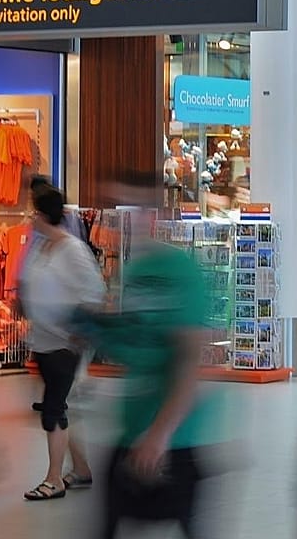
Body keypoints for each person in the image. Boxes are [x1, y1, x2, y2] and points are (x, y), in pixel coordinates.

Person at [77, 171, 219, 538]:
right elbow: (138, 346)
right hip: (132, 429)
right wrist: (97, 330)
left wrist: (160, 435)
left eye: (138, 209)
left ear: (155, 214)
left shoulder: (181, 271)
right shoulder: (134, 270)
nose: (129, 219)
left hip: (176, 437)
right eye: (121, 208)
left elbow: (187, 360)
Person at [18, 184, 104, 501]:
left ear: (42, 215)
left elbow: (94, 293)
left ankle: (54, 479)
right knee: (60, 408)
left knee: (54, 411)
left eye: (33, 212)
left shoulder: (72, 249)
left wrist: (78, 335)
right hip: (42, 341)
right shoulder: (41, 247)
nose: (30, 218)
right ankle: (80, 468)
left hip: (64, 344)